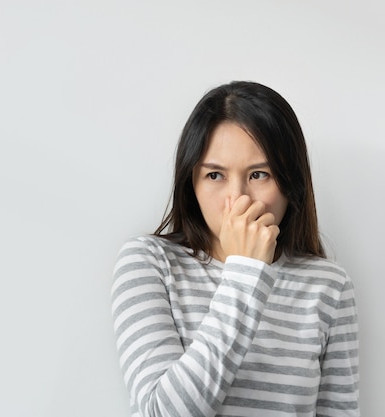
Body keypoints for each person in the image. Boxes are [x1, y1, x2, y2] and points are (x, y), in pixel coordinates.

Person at [111, 81, 359, 417]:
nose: (238, 199)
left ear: (290, 183)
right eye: (215, 175)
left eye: (259, 174)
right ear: (191, 183)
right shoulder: (149, 263)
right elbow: (161, 411)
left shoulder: (329, 285)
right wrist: (246, 274)